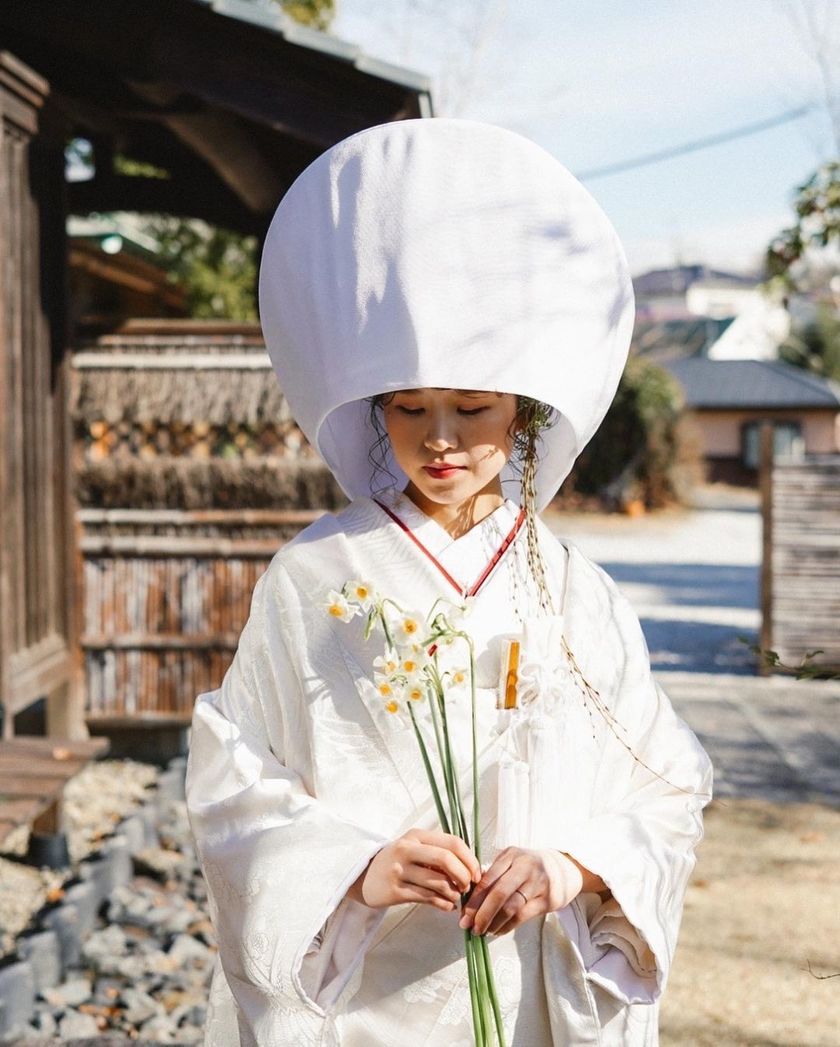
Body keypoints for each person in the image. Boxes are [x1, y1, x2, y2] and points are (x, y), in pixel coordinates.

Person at [185, 118, 713, 1047]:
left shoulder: (572, 589)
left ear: (522, 413)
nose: (439, 439)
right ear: (370, 406)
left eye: (472, 408)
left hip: (526, 994)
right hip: (364, 996)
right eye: (407, 408)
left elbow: (666, 787)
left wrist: (571, 866)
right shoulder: (315, 577)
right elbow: (235, 774)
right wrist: (359, 865)